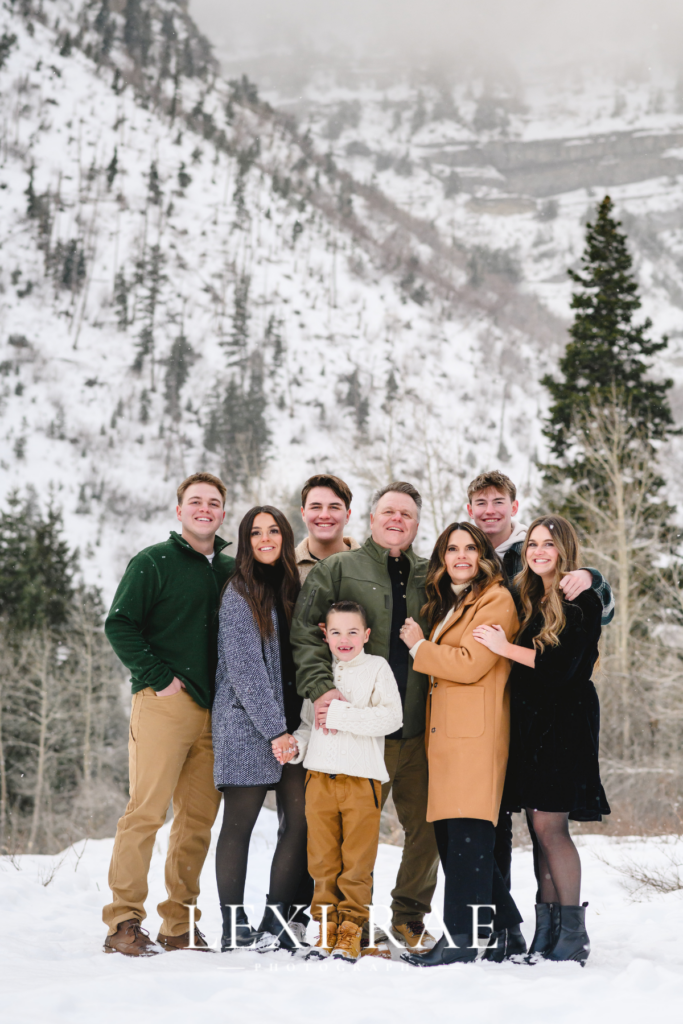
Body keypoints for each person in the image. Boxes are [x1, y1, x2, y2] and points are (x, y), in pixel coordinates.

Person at [292, 481, 440, 957]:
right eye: (388, 512)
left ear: (417, 524)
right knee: (352, 836)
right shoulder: (340, 568)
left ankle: (409, 917)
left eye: (407, 515)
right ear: (371, 519)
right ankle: (349, 923)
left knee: (426, 827)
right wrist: (321, 689)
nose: (397, 520)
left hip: (417, 725)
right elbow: (305, 634)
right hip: (356, 735)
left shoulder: (431, 575)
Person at [103, 472, 234, 956]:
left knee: (196, 822)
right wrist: (158, 676)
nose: (204, 509)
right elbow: (119, 624)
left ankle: (179, 923)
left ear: (224, 513)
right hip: (163, 703)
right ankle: (123, 921)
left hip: (214, 711)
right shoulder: (153, 561)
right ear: (179, 511)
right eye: (195, 501)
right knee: (146, 813)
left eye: (214, 502)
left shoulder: (228, 569)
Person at [466, 469, 614, 897]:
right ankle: (540, 930)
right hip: (522, 713)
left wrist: (593, 577)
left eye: (548, 544)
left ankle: (568, 931)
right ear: (470, 509)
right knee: (533, 822)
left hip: (561, 718)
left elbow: (564, 658)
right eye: (534, 544)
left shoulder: (577, 592)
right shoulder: (524, 589)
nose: (538, 550)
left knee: (548, 827)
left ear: (513, 507)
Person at [398, 522, 523, 967]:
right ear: (442, 556)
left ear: (484, 554)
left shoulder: (496, 598)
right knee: (456, 838)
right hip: (448, 736)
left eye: (471, 548)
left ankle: (463, 940)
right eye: (453, 549)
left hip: (476, 735)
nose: (462, 556)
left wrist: (418, 649)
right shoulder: (452, 601)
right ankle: (507, 932)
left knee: (468, 838)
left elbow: (472, 664)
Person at [212, 506, 310, 953]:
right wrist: (275, 731)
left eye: (273, 531)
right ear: (246, 541)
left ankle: (276, 919)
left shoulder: (294, 587)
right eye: (256, 532)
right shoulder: (238, 591)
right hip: (248, 723)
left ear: (286, 537)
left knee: (300, 823)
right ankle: (234, 926)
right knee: (239, 826)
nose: (265, 538)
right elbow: (246, 670)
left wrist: (293, 726)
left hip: (295, 726)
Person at [285, 600, 402, 963]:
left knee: (356, 861)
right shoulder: (320, 671)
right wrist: (297, 746)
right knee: (321, 860)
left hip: (361, 780)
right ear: (325, 635)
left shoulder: (377, 668)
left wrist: (341, 713)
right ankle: (327, 927)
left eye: (353, 631)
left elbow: (391, 719)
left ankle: (352, 928)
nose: (344, 639)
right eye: (336, 632)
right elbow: (309, 723)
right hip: (319, 778)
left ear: (366, 635)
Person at [295, 474, 360, 583]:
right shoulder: (284, 567)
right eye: (315, 507)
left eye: (334, 507)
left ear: (347, 516)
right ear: (303, 514)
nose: (324, 515)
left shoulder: (372, 566)